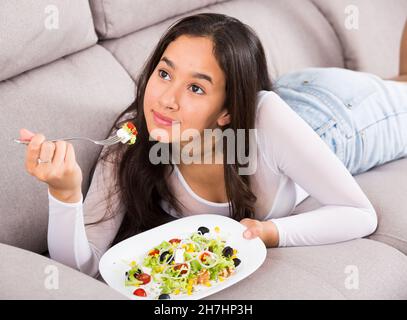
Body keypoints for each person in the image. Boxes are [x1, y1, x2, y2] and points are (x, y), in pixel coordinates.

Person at [19, 13, 407, 278]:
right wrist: (64, 193)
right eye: (165, 72)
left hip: (345, 118)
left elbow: (359, 213)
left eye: (195, 87)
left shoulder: (265, 117)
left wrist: (272, 232)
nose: (165, 100)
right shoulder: (129, 140)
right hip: (293, 92)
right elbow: (80, 270)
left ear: (225, 111)